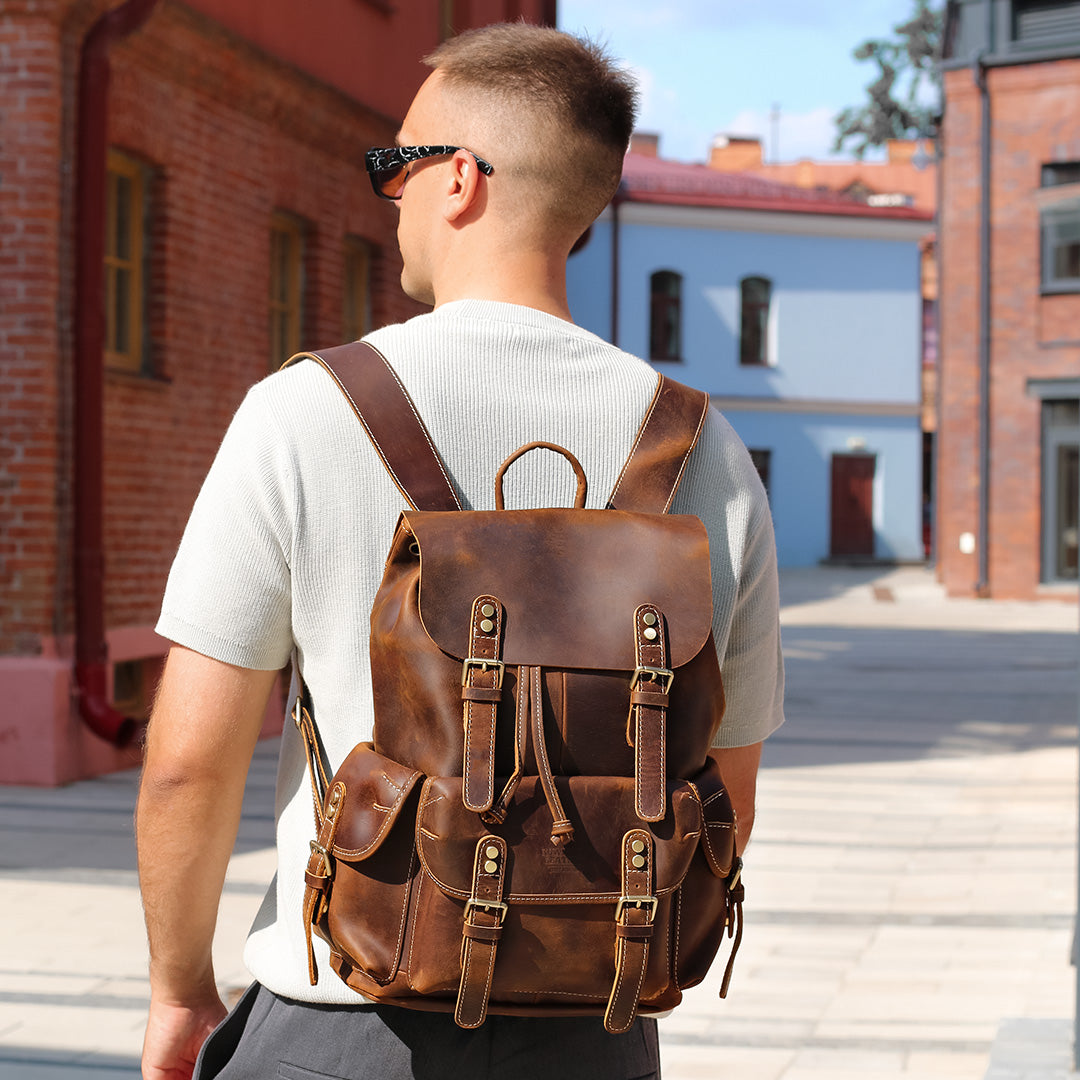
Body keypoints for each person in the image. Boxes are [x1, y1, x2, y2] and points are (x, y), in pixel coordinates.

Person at [136, 22, 785, 1080]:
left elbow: (184, 766)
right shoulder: (704, 448)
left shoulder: (301, 413)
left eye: (393, 165)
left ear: (458, 180)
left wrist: (177, 990)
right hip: (598, 1039)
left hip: (343, 1022)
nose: (386, 195)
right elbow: (726, 794)